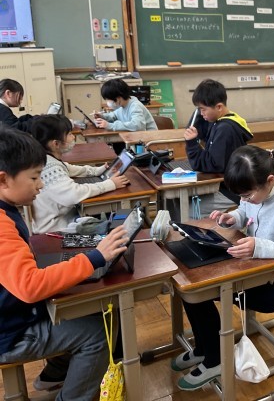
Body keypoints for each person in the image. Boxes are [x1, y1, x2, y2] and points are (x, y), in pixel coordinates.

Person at [0, 126, 130, 400]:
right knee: (97, 333)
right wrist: (94, 257)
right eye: (34, 177)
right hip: (10, 331)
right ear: (3, 179)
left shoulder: (7, 209)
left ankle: (55, 372)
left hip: (12, 316)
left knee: (84, 308)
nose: (40, 185)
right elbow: (30, 287)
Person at [171, 146, 274, 390]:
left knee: (200, 291)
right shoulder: (257, 192)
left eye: (247, 195)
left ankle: (215, 359)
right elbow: (246, 211)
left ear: (270, 180)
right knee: (192, 285)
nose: (244, 200)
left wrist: (259, 246)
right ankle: (205, 348)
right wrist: (233, 218)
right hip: (256, 271)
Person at [30, 115, 128, 234]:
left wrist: (99, 170)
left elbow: (73, 169)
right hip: (57, 228)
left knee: (107, 215)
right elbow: (74, 194)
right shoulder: (50, 168)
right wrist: (110, 184)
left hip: (66, 218)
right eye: (69, 134)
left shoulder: (47, 159)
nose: (73, 137)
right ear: (56, 144)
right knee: (122, 217)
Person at [183, 79, 253, 216]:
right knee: (178, 202)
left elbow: (211, 165)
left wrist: (192, 144)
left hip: (230, 190)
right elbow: (201, 130)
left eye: (203, 109)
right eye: (199, 109)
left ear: (219, 107)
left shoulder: (225, 129)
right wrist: (199, 113)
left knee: (188, 211)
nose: (201, 113)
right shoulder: (218, 122)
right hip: (221, 184)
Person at [93, 79, 158, 131]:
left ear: (118, 98)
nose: (107, 102)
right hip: (136, 138)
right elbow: (114, 115)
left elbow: (138, 126)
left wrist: (110, 126)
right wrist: (102, 116)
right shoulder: (121, 106)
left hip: (149, 140)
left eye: (108, 99)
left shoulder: (135, 106)